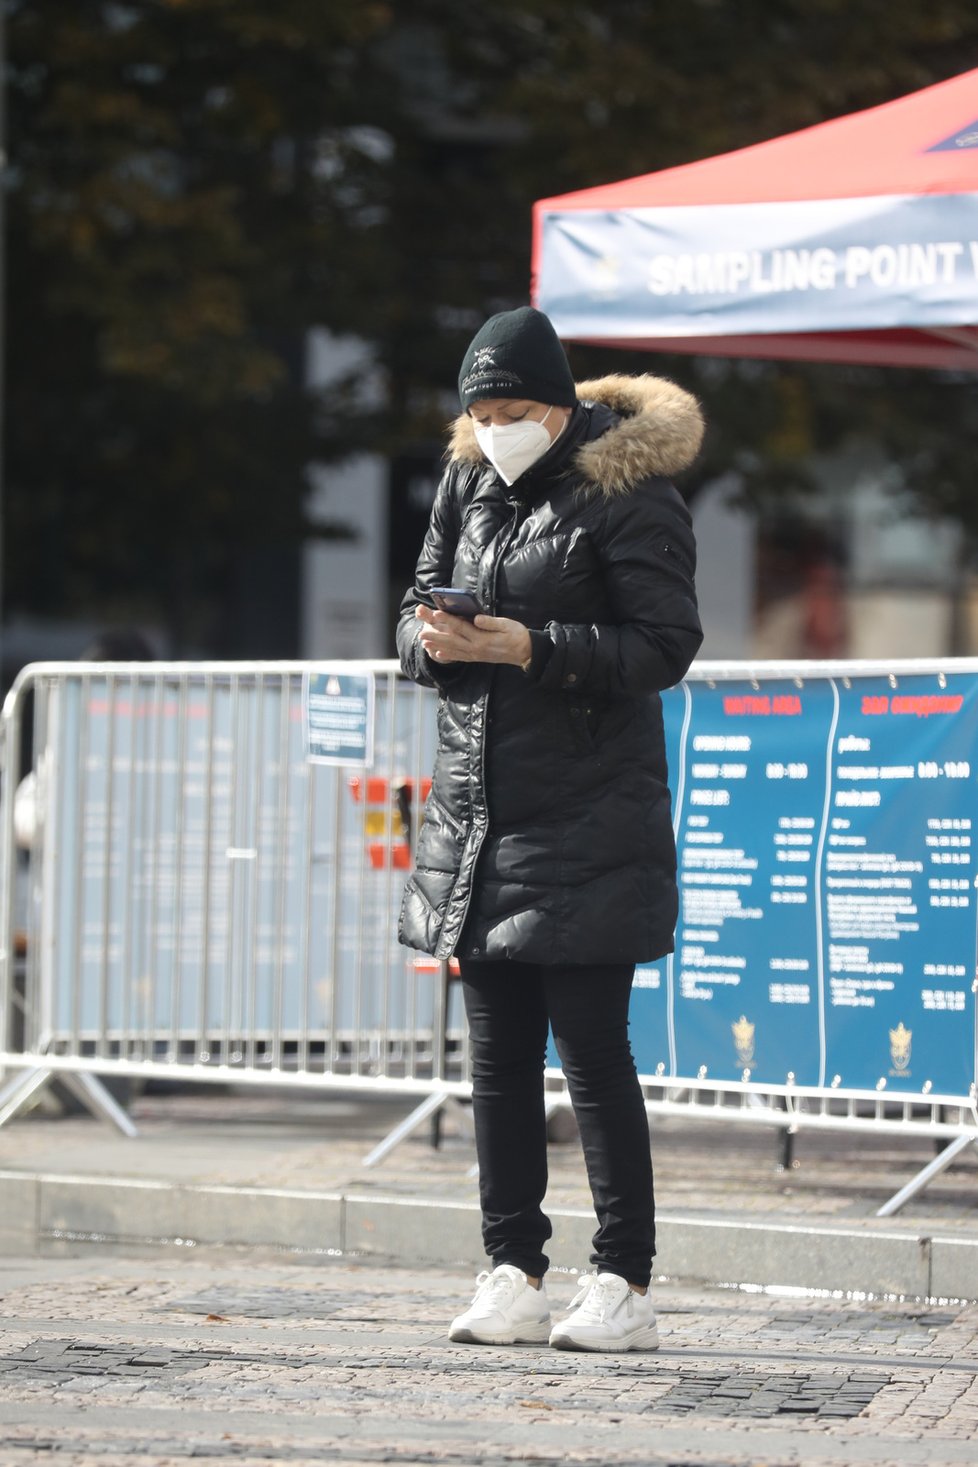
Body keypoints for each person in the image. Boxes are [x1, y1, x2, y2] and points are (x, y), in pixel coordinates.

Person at [396, 307, 703, 1351]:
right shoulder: (468, 480)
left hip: (588, 816)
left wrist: (534, 647)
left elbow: (663, 646)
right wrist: (432, 641)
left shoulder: (629, 488)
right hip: (479, 813)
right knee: (496, 1062)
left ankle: (624, 1283)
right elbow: (410, 612)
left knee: (592, 1057)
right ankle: (512, 1270)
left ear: (561, 405)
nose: (493, 428)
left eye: (513, 410)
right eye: (479, 413)